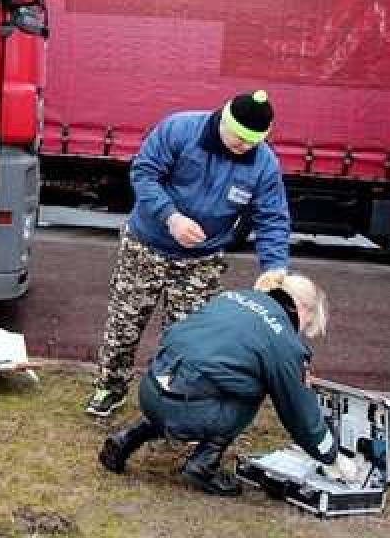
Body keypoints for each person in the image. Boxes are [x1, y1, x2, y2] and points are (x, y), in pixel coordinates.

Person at [86, 90, 292, 418]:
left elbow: (273, 218)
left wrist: (275, 267)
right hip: (147, 246)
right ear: (223, 120)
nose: (244, 147)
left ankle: (172, 399)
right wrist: (172, 217)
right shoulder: (180, 130)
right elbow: (144, 174)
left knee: (188, 338)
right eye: (238, 139)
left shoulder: (263, 163)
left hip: (202, 260)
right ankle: (110, 386)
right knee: (124, 325)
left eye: (252, 142)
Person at [98, 271, 356, 496]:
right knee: (252, 387)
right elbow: (298, 411)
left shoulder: (234, 297)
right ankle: (204, 465)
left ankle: (126, 439)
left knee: (198, 379)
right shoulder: (284, 341)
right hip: (190, 410)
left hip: (151, 391)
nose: (302, 331)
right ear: (303, 309)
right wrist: (330, 455)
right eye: (308, 323)